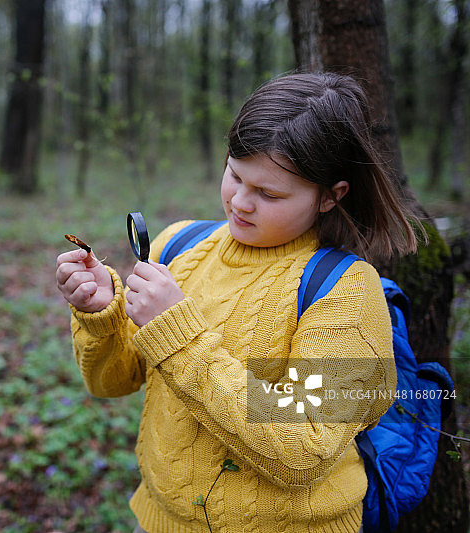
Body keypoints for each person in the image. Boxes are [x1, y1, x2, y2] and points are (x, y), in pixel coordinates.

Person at [55, 72, 423, 533]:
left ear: (331, 196)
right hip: (161, 520)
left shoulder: (345, 290)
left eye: (269, 193)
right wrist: (100, 317)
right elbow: (111, 381)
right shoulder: (179, 247)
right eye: (235, 174)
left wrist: (178, 334)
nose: (240, 203)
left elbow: (303, 445)